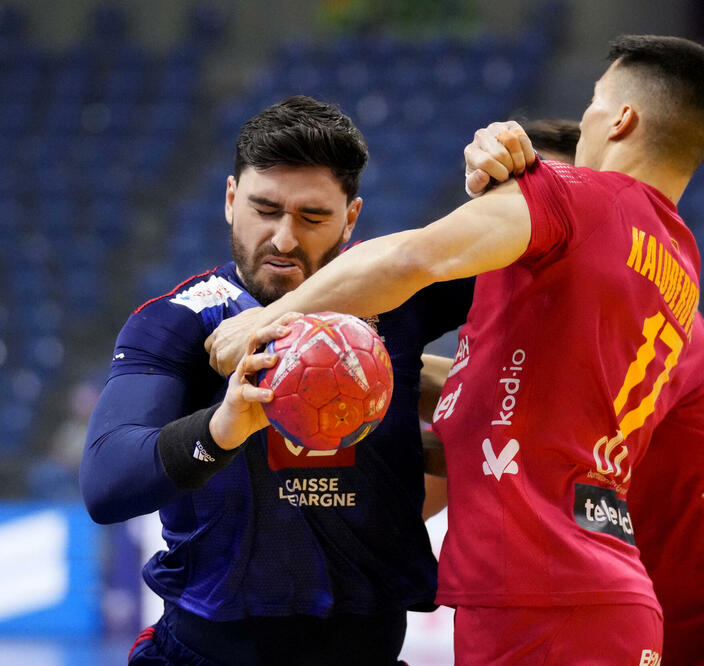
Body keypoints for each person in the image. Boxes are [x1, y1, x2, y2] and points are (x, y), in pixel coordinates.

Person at [205, 34, 704, 664]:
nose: (587, 114)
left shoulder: (586, 199)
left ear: (622, 118)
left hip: (538, 598)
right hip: (604, 592)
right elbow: (518, 395)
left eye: (595, 100)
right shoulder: (677, 262)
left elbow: (414, 256)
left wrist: (269, 321)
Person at [448, 118, 704, 665]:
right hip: (678, 638)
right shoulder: (545, 334)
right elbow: (475, 408)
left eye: (538, 203)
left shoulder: (655, 317)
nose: (524, 224)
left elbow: (519, 418)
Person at [79, 96, 473, 665]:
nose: (285, 240)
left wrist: (519, 165)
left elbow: (544, 249)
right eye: (265, 209)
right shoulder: (182, 321)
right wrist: (221, 428)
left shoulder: (398, 289)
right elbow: (106, 481)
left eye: (313, 218)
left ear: (352, 218)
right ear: (230, 199)